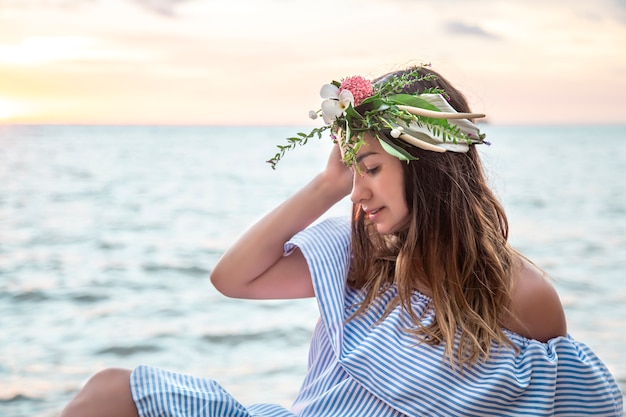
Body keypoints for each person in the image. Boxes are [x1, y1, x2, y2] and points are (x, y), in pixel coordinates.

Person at [59, 65, 624, 417]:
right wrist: (326, 185)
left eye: (371, 168)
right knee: (114, 389)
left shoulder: (521, 294)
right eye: (353, 171)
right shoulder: (364, 256)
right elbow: (232, 279)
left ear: (425, 165)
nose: (359, 191)